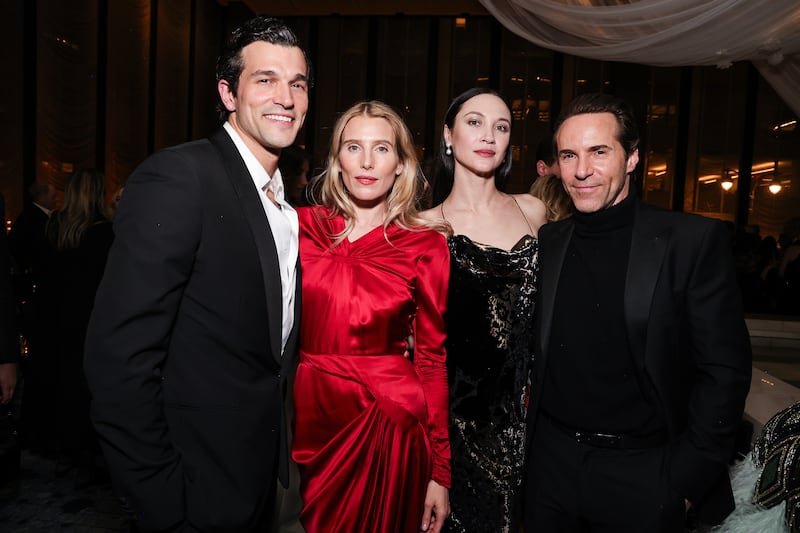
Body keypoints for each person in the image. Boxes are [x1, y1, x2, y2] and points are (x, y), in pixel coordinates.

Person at [84, 16, 310, 532]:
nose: (286, 97)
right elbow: (118, 361)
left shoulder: (284, 207)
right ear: (228, 93)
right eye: (266, 79)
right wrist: (163, 503)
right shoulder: (181, 177)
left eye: (297, 84)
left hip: (258, 481)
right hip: (193, 490)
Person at [525, 93, 752, 532]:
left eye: (599, 152)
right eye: (569, 155)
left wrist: (684, 483)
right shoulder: (548, 243)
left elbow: (724, 371)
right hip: (549, 468)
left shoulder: (690, 242)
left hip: (644, 473)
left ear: (632, 158)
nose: (582, 170)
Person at [292, 100, 451, 533]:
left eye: (381, 149)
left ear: (401, 163)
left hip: (390, 423)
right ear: (337, 159)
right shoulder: (299, 227)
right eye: (353, 147)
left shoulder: (425, 246)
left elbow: (432, 362)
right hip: (311, 417)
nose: (366, 162)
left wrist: (441, 473)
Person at [421, 87, 547, 533]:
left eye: (501, 126)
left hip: (531, 421)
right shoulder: (423, 227)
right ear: (448, 135)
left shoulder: (534, 212)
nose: (488, 135)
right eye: (474, 122)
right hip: (460, 428)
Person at [46, 169, 114, 484]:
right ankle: (88, 454)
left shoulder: (55, 226)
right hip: (91, 319)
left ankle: (66, 451)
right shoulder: (103, 232)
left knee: (63, 381)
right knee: (90, 385)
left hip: (58, 318)